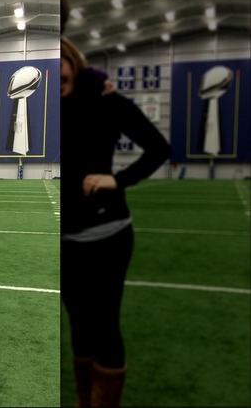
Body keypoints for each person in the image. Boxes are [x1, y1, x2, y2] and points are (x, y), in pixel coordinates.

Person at [60, 36, 171, 407]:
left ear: (72, 61)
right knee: (79, 327)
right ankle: (85, 399)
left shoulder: (107, 102)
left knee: (105, 326)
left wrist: (118, 180)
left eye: (60, 63)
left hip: (108, 235)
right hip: (66, 241)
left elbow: (159, 148)